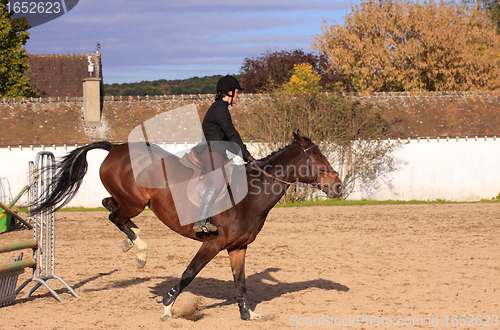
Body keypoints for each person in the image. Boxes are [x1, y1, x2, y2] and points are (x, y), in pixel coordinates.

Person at [192, 75, 255, 233]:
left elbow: (228, 139)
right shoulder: (220, 109)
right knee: (218, 181)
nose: (238, 95)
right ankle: (201, 221)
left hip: (218, 150)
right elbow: (232, 134)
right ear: (229, 92)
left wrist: (242, 155)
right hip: (211, 151)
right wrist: (247, 156)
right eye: (236, 92)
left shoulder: (220, 108)